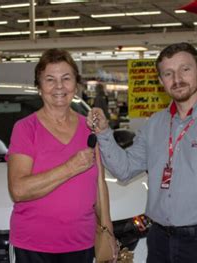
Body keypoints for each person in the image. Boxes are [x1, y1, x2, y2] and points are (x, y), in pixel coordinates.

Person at [87, 42, 197, 263]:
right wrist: (105, 133)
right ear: (161, 81)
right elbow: (124, 170)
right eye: (168, 73)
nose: (177, 78)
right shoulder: (154, 125)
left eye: (185, 69)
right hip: (158, 242)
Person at [7, 48, 117, 263]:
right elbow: (18, 190)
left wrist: (108, 231)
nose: (59, 86)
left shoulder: (89, 128)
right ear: (39, 88)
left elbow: (99, 187)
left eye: (66, 79)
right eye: (50, 79)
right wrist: (70, 167)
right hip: (33, 246)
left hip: (82, 243)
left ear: (76, 85)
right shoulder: (26, 129)